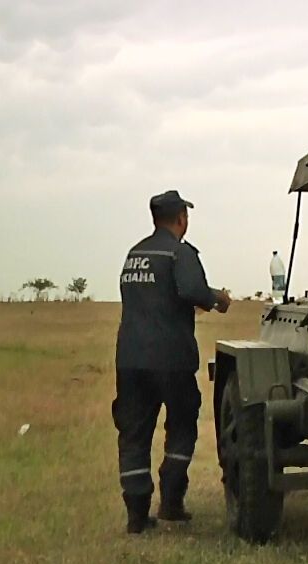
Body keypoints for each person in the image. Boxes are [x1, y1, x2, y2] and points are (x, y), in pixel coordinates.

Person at [112, 190, 232, 534]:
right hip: (171, 359)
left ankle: (136, 515)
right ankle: (170, 501)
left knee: (134, 433)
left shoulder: (134, 254)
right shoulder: (180, 253)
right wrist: (218, 299)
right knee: (181, 424)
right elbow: (193, 291)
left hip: (131, 359)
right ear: (181, 218)